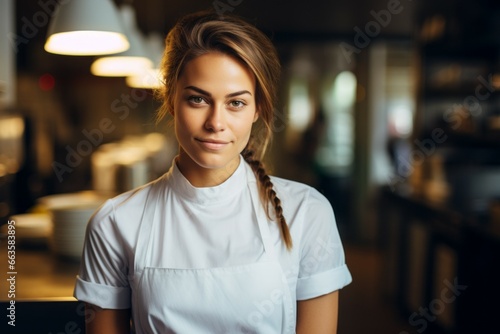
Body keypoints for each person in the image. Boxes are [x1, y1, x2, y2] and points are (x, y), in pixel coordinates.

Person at [74, 10, 352, 334]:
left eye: (236, 103)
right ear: (171, 99)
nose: (216, 123)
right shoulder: (113, 224)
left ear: (257, 109)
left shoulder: (307, 213)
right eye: (198, 99)